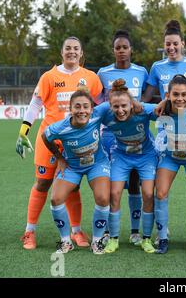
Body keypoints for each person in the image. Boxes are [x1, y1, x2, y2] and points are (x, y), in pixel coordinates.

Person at [16, 36, 103, 250]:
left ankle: (76, 231)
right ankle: (29, 232)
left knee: (72, 187)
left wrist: (102, 133)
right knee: (43, 183)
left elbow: (99, 108)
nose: (72, 51)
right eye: (68, 48)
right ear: (61, 52)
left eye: (76, 48)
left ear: (81, 53)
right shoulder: (49, 77)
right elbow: (35, 104)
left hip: (75, 142)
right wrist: (23, 131)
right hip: (49, 140)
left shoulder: (90, 78)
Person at [41, 87, 110, 254]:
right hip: (72, 166)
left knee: (102, 197)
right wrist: (59, 158)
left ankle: (97, 240)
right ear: (70, 109)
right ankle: (66, 241)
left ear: (91, 109)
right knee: (56, 199)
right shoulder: (60, 128)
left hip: (97, 164)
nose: (82, 111)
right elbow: (45, 136)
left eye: (86, 106)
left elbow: (115, 102)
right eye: (77, 107)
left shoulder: (98, 114)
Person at [97, 30, 149, 246]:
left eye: (124, 47)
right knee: (112, 184)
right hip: (110, 136)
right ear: (113, 50)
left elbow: (145, 99)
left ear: (130, 50)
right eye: (117, 47)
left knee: (136, 182)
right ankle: (110, 231)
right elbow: (100, 103)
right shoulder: (103, 73)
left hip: (136, 135)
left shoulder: (142, 72)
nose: (121, 51)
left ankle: (135, 231)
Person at [98, 79, 158, 255]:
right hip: (121, 156)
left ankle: (146, 238)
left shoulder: (142, 110)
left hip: (146, 156)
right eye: (115, 107)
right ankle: (114, 239)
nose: (120, 110)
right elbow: (87, 114)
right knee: (114, 193)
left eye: (124, 106)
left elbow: (164, 112)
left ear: (131, 104)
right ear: (110, 106)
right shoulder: (105, 113)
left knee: (148, 194)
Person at [154, 74, 186, 254]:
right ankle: (162, 237)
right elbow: (137, 107)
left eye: (184, 94)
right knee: (160, 193)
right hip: (170, 158)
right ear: (168, 95)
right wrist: (160, 103)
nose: (180, 98)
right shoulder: (161, 112)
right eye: (175, 94)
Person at [143, 20, 186, 103]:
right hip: (167, 115)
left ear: (182, 44)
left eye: (175, 44)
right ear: (164, 45)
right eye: (168, 44)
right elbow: (146, 98)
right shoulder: (157, 67)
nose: (171, 48)